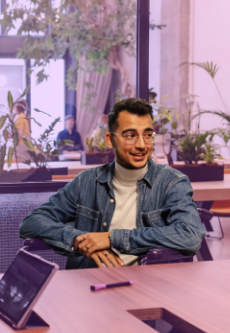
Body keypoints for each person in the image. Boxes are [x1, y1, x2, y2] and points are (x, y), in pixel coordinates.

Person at [19, 98, 205, 268]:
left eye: (148, 135)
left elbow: (190, 235)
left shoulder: (172, 182)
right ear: (110, 140)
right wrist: (81, 240)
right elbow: (31, 222)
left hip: (149, 285)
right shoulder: (87, 182)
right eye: (130, 135)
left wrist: (111, 238)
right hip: (89, 284)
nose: (142, 145)